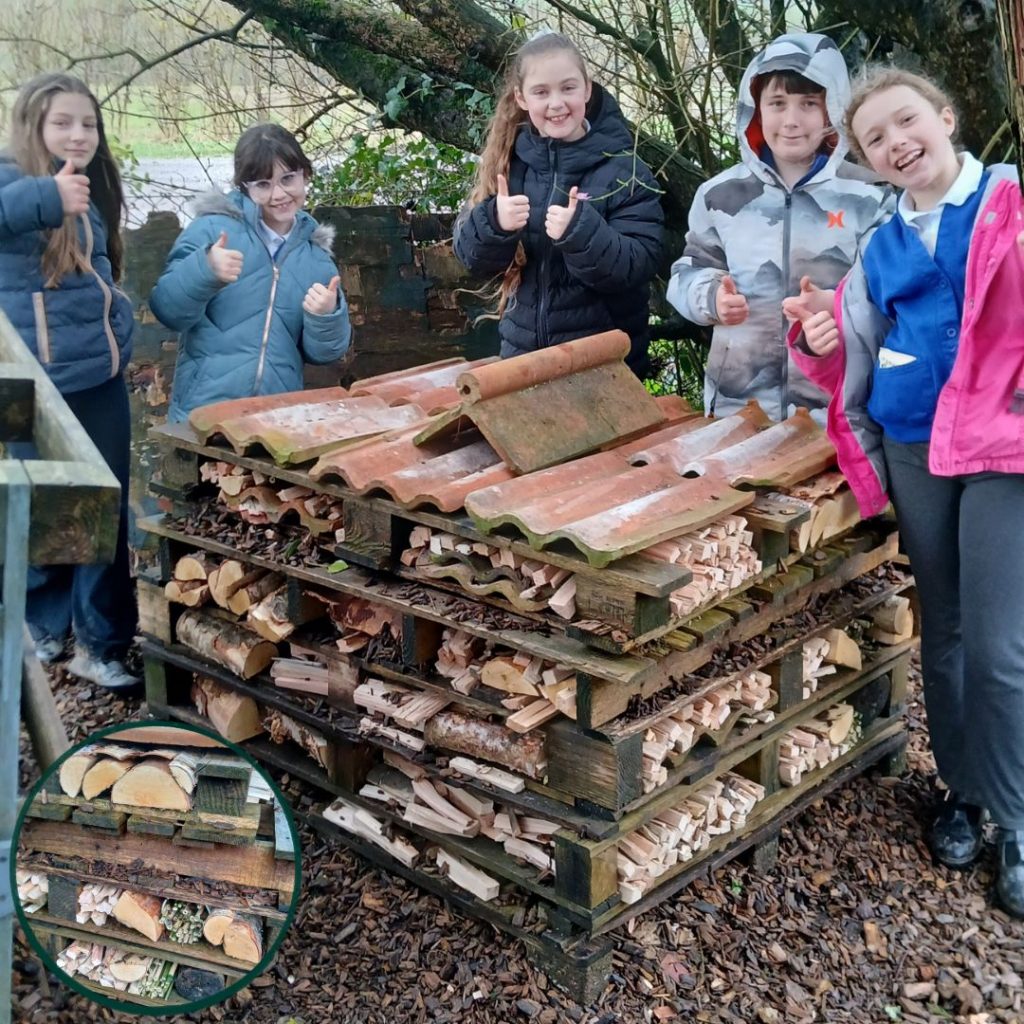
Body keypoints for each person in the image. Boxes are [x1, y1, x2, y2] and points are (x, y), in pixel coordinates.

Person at [784, 67, 1024, 917]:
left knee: (1002, 647)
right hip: (917, 446)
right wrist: (815, 335)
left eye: (906, 121)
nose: (896, 143)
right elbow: (849, 351)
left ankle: (1017, 816)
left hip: (1004, 448)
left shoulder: (1009, 206)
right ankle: (962, 790)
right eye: (877, 138)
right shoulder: (879, 245)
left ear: (946, 117)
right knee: (948, 631)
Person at [667, 32, 894, 421]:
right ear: (755, 109)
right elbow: (685, 274)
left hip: (837, 410)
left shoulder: (870, 196)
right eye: (777, 103)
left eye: (809, 103)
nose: (791, 121)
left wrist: (835, 312)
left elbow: (887, 293)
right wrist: (710, 299)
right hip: (739, 410)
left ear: (833, 110)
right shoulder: (719, 195)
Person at [0, 72, 139, 690]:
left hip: (96, 376)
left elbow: (105, 268)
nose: (78, 135)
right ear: (33, 126)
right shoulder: (11, 179)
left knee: (101, 510)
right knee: (45, 507)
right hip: (23, 379)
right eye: (63, 123)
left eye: (89, 123)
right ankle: (44, 621)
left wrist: (122, 324)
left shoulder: (95, 183)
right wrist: (46, 198)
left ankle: (102, 644)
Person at [452, 30, 663, 379]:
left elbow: (638, 264)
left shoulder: (625, 169)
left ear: (587, 89)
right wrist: (495, 223)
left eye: (568, 88)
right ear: (521, 98)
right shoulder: (508, 164)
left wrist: (581, 232)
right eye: (541, 92)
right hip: (524, 363)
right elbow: (470, 257)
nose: (556, 103)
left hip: (604, 369)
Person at [150, 123, 352, 422]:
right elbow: (167, 310)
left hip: (277, 419)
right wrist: (205, 270)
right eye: (263, 184)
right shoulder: (212, 231)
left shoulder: (316, 258)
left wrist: (325, 316)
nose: (278, 194)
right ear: (244, 186)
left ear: (305, 175)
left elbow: (325, 353)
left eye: (288, 179)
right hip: (204, 415)